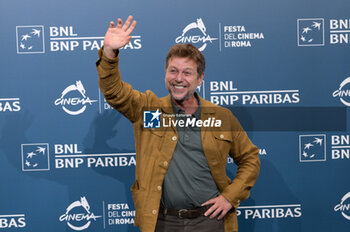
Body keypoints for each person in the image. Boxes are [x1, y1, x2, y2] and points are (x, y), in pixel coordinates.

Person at [96, 15, 260, 232]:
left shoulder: (221, 117)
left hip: (210, 222)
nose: (178, 78)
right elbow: (113, 91)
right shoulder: (149, 109)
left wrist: (229, 197)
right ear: (166, 73)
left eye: (187, 72)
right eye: (173, 71)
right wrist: (109, 52)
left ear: (200, 78)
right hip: (162, 223)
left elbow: (250, 159)